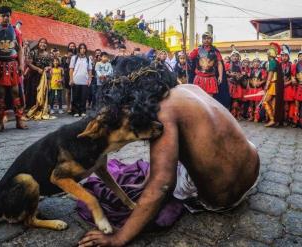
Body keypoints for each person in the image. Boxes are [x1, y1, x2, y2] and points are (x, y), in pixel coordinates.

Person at [78, 56, 259, 247]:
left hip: (223, 198)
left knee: (157, 176)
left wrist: (119, 238)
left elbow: (162, 184)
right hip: (253, 167)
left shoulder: (163, 111)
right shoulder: (189, 87)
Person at [0, 6, 27, 131]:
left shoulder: (15, 31)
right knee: (0, 93)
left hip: (12, 64)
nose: (5, 18)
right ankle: (0, 122)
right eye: (3, 15)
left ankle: (19, 120)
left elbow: (19, 49)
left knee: (16, 92)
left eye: (7, 15)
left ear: (10, 16)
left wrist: (21, 64)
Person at [189, 32, 223, 96]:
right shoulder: (197, 50)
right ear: (202, 40)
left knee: (209, 99)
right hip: (199, 78)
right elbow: (189, 58)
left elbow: (219, 63)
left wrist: (220, 76)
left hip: (210, 78)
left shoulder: (215, 51)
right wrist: (184, 50)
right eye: (204, 38)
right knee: (198, 98)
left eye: (208, 38)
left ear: (211, 40)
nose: (206, 40)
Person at [25, 38, 52, 110]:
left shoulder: (48, 55)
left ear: (46, 45)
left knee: (43, 92)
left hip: (43, 77)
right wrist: (37, 69)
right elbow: (28, 63)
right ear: (38, 43)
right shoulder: (33, 52)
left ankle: (41, 109)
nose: (43, 44)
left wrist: (48, 68)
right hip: (34, 76)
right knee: (33, 92)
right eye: (41, 42)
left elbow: (50, 65)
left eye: (44, 43)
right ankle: (32, 109)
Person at [262, 42, 284, 127]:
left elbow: (270, 75)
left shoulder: (272, 62)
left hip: (273, 85)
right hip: (276, 85)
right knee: (274, 103)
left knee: (265, 102)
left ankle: (272, 119)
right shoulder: (277, 62)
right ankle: (276, 120)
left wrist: (267, 85)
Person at [69, 43, 92, 117]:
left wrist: (89, 79)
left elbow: (90, 70)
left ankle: (82, 111)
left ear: (86, 50)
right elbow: (71, 69)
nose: (82, 49)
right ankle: (75, 111)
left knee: (83, 97)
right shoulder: (74, 58)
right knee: (75, 97)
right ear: (79, 49)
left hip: (84, 81)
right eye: (81, 48)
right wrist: (71, 79)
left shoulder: (88, 59)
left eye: (84, 48)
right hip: (75, 80)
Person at [246, 58, 266, 122]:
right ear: (252, 63)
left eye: (257, 62)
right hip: (251, 89)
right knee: (251, 103)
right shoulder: (250, 70)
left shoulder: (262, 71)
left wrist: (260, 82)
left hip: (258, 89)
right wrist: (248, 85)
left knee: (257, 103)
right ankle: (251, 116)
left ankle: (256, 117)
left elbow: (265, 79)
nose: (256, 63)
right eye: (254, 62)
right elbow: (249, 79)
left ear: (259, 63)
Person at [280, 44, 296, 126]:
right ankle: (281, 119)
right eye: (282, 55)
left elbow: (293, 78)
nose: (284, 57)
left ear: (288, 56)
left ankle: (288, 119)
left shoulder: (292, 66)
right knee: (280, 104)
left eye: (286, 55)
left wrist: (287, 83)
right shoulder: (279, 65)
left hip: (288, 88)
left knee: (287, 104)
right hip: (280, 88)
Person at [226, 49, 243, 119]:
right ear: (231, 57)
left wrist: (240, 75)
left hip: (238, 84)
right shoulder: (228, 64)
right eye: (233, 56)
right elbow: (226, 72)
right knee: (229, 99)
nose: (235, 57)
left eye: (236, 56)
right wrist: (231, 74)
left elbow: (242, 73)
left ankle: (237, 114)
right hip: (230, 84)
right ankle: (229, 114)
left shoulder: (240, 65)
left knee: (237, 100)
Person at [62, 49, 74, 114]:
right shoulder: (64, 59)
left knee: (74, 93)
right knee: (68, 92)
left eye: (71, 54)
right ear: (67, 54)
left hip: (74, 76)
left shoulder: (75, 59)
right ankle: (68, 107)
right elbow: (63, 68)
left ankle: (73, 107)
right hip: (67, 77)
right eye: (69, 53)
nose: (70, 54)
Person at [293, 50, 302, 127]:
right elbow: (293, 75)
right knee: (297, 105)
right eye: (300, 56)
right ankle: (296, 121)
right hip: (298, 87)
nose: (301, 57)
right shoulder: (296, 66)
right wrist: (293, 79)